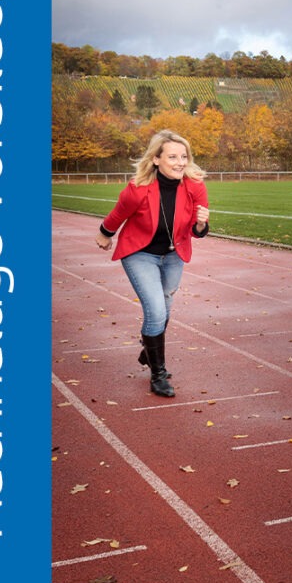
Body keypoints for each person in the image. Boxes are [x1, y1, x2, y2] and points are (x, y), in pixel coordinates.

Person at [95, 129, 210, 397]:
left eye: (184, 156)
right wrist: (104, 233)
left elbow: (196, 231)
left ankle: (149, 351)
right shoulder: (138, 188)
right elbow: (117, 214)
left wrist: (202, 223)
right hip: (140, 252)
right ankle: (158, 374)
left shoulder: (195, 186)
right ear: (156, 159)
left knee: (165, 304)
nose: (180, 162)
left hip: (174, 253)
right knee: (156, 310)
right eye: (173, 156)